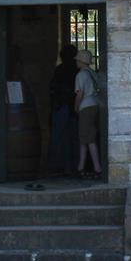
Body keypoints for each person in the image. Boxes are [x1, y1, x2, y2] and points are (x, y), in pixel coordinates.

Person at [73, 50, 104, 178]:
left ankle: (97, 168)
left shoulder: (81, 75)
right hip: (94, 104)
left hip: (85, 107)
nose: (76, 61)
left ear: (81, 61)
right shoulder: (91, 73)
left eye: (77, 60)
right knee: (85, 137)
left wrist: (76, 107)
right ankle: (81, 166)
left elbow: (80, 94)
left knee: (89, 138)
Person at [48, 45, 78, 176]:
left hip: (62, 106)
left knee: (60, 136)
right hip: (72, 107)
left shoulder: (60, 70)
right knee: (73, 137)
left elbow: (54, 88)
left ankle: (59, 166)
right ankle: (73, 166)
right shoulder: (76, 70)